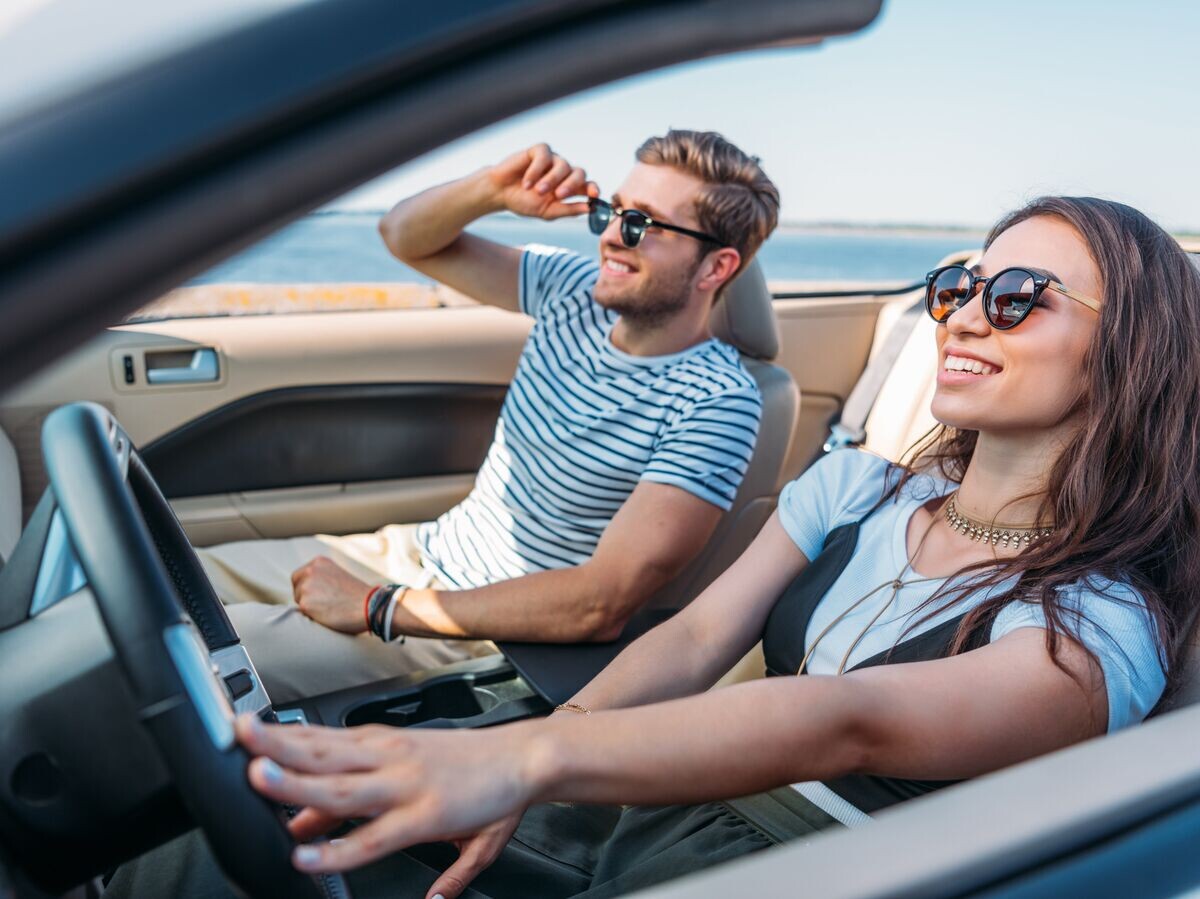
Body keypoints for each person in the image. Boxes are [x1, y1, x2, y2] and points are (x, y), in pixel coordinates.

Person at [107, 197, 1200, 899]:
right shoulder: (862, 486)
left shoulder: (1097, 624)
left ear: (1133, 350)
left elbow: (846, 716)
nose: (960, 316)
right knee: (246, 830)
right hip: (660, 792)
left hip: (813, 866)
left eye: (1017, 298)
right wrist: (534, 751)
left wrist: (528, 763)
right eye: (957, 286)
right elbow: (694, 640)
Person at [199, 131, 781, 702]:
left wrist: (379, 606)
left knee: (201, 664)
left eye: (640, 225)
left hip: (482, 629)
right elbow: (403, 236)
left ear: (715, 268)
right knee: (173, 578)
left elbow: (600, 603)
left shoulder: (717, 402)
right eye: (611, 211)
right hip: (415, 555)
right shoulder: (571, 290)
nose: (609, 236)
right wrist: (493, 189)